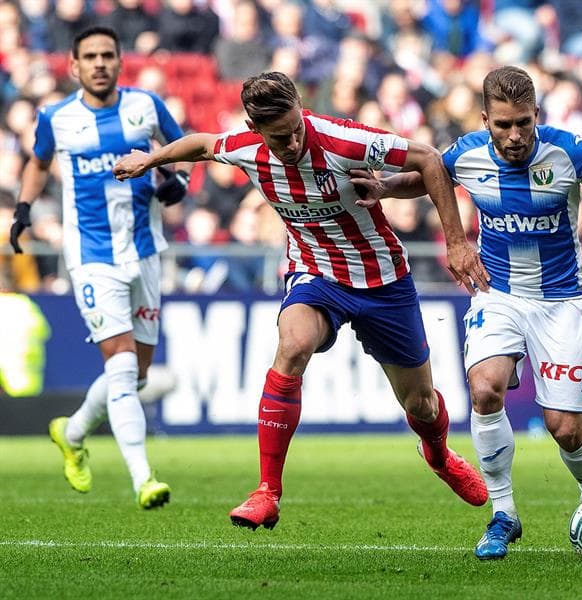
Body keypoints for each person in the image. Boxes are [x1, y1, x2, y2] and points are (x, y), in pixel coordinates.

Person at [350, 66, 582, 559]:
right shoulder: (468, 152)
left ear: (536, 114)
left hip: (560, 302)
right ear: (485, 120)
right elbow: (428, 176)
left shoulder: (569, 152)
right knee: (484, 389)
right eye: (503, 125)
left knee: (565, 427)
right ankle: (504, 514)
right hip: (496, 294)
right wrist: (387, 188)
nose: (514, 135)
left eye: (523, 122)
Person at [113, 71, 491, 530]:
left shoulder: (342, 140)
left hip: (382, 279)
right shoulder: (247, 149)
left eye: (296, 129)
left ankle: (438, 454)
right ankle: (266, 492)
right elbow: (201, 143)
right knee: (292, 346)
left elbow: (430, 159)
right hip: (315, 273)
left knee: (422, 406)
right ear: (256, 130)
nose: (292, 142)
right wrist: (151, 159)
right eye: (279, 137)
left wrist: (455, 242)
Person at [8, 26, 189, 508]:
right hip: (91, 258)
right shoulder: (56, 117)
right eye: (90, 56)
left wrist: (180, 181)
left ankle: (71, 432)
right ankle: (143, 478)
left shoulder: (146, 107)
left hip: (146, 251)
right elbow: (39, 162)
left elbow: (185, 148)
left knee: (138, 374)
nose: (100, 63)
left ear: (119, 60)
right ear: (74, 66)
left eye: (108, 54)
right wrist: (24, 210)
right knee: (124, 366)